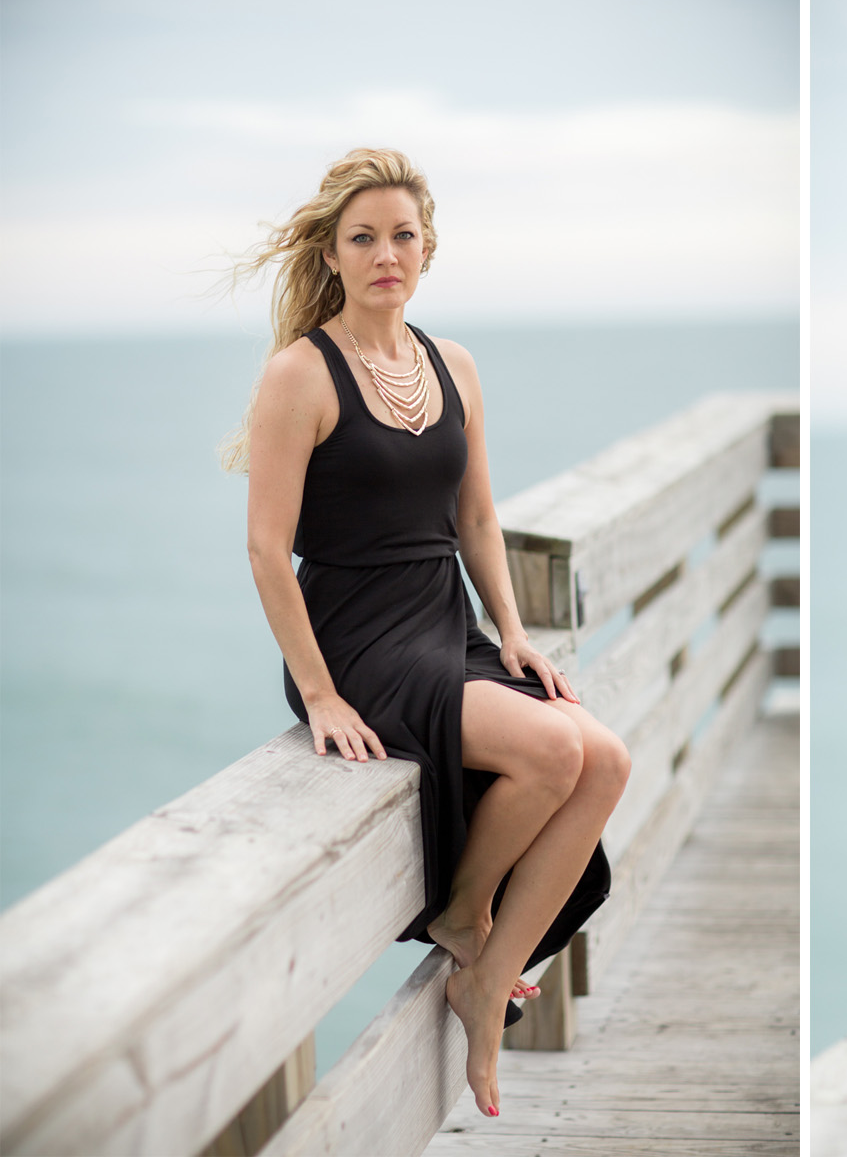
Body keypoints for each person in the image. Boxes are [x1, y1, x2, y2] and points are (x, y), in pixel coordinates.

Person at [224, 148, 630, 1119]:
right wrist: (319, 692)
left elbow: (477, 521)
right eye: (362, 238)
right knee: (547, 747)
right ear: (330, 255)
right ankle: (463, 917)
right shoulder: (300, 374)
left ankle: (488, 975)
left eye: (402, 235)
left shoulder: (453, 365)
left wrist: (515, 632)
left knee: (603, 757)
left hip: (443, 618)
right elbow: (266, 550)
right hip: (357, 636)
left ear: (428, 248)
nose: (384, 254)